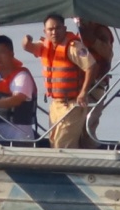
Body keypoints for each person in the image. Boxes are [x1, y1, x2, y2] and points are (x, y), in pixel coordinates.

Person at [22, 13, 98, 148]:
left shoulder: (73, 46)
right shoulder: (45, 46)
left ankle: (69, 167)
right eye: (50, 29)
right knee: (54, 141)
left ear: (64, 28)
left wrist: (84, 92)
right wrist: (26, 41)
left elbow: (91, 66)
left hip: (72, 104)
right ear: (45, 31)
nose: (54, 32)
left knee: (62, 145)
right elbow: (29, 47)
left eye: (57, 28)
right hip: (56, 104)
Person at [76, 18, 114, 148]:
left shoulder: (101, 30)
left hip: (95, 86)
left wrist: (91, 39)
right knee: (76, 127)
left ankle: (91, 154)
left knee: (88, 126)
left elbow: (108, 53)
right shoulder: (77, 30)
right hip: (78, 87)